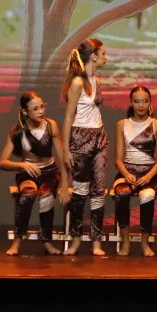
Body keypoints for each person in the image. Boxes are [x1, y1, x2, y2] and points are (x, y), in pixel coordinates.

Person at [0, 92, 69, 255]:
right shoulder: (17, 131)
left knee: (46, 197)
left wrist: (65, 184)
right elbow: (2, 162)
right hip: (27, 173)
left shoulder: (50, 126)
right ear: (25, 111)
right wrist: (21, 165)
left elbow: (62, 157)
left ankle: (47, 241)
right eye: (35, 109)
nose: (41, 111)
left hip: (49, 172)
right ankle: (17, 241)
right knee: (28, 195)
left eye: (42, 107)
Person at [61, 38, 109, 256]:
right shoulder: (78, 83)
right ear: (94, 56)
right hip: (80, 138)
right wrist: (66, 149)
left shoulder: (96, 80)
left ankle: (96, 241)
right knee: (80, 192)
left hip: (99, 136)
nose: (106, 57)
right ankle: (76, 239)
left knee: (99, 190)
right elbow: (68, 117)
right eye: (103, 54)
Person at [112, 86, 157, 257]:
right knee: (122, 193)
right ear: (130, 103)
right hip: (126, 172)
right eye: (136, 101)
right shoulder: (122, 124)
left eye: (145, 101)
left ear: (150, 102)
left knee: (147, 195)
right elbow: (118, 159)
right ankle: (125, 242)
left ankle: (144, 242)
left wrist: (148, 176)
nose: (141, 105)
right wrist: (126, 174)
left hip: (150, 174)